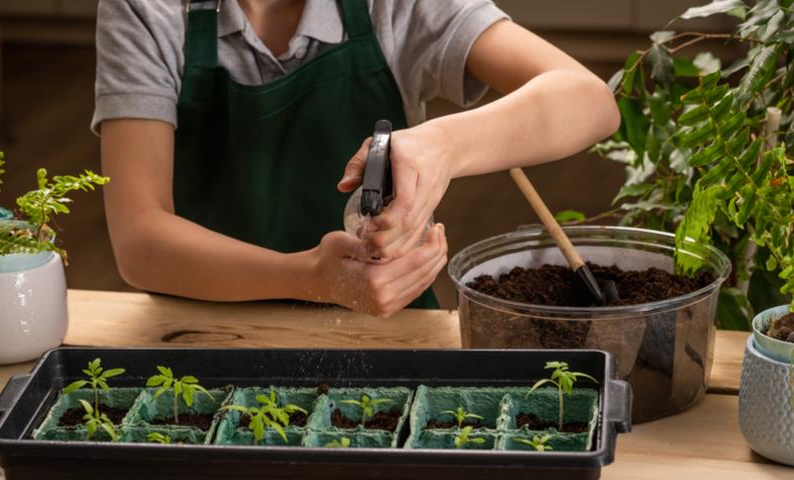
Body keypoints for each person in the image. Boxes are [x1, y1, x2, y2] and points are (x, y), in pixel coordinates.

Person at [95, 0, 619, 317]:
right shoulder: (148, 9)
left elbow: (589, 100)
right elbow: (140, 241)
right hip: (200, 329)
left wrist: (441, 146)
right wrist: (305, 277)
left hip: (385, 326)